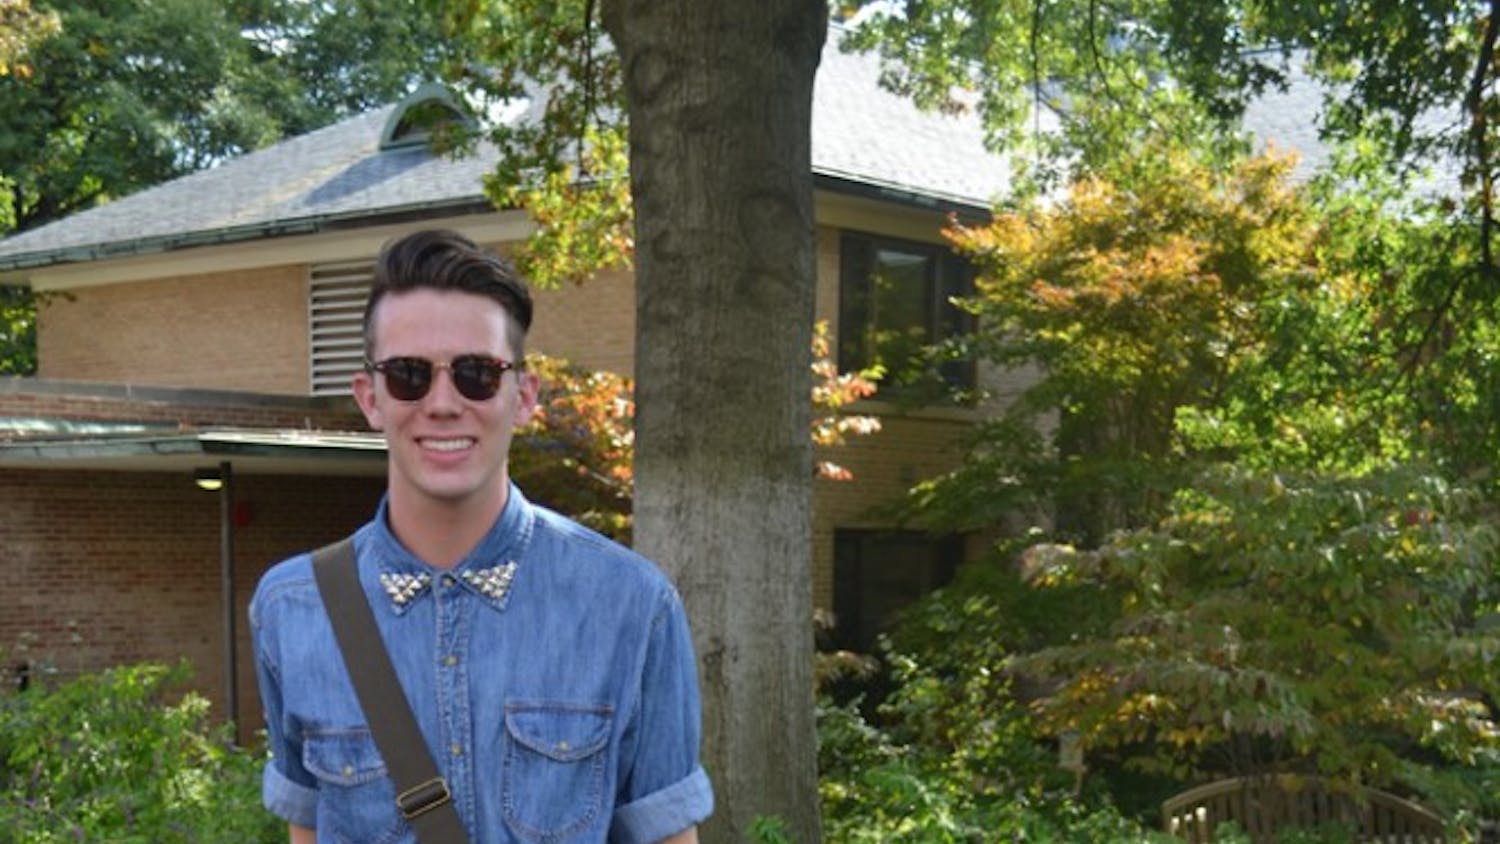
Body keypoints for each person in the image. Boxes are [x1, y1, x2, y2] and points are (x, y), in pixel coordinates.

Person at [250, 229, 713, 844]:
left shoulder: (632, 605)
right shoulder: (292, 607)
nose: (442, 403)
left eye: (476, 373)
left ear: (522, 397)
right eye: (410, 374)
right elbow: (306, 831)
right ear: (371, 398)